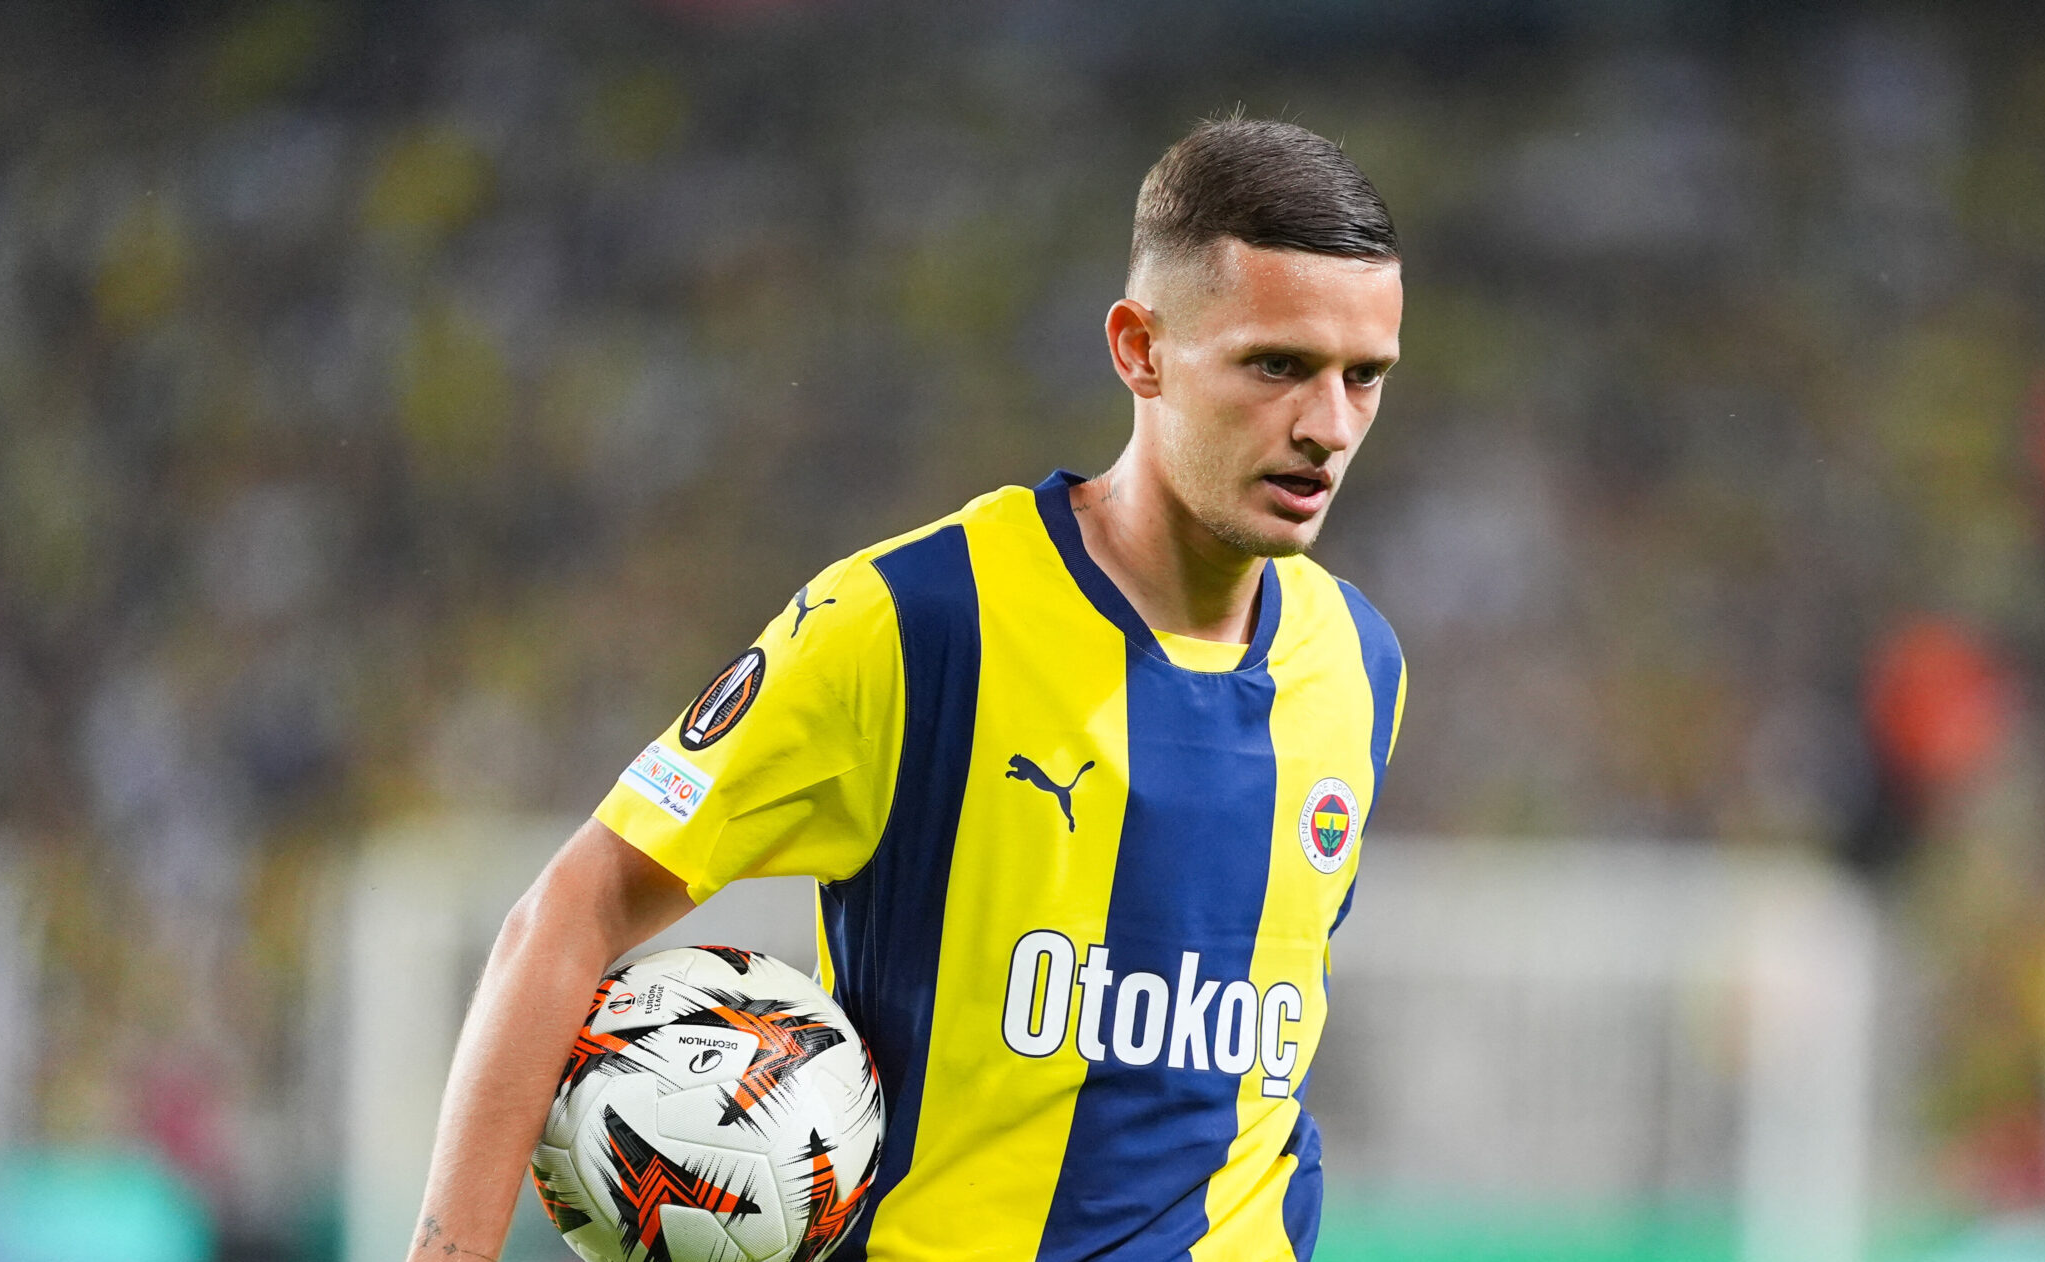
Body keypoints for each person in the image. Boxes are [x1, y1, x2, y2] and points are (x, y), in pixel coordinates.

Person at [407, 116, 1407, 1262]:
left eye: (1363, 376)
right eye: (1276, 364)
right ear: (1140, 348)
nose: (1328, 426)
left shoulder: (1360, 664)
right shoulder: (921, 621)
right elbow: (570, 909)